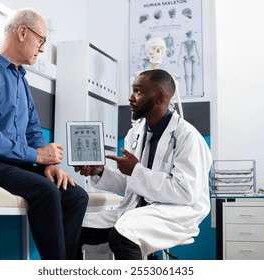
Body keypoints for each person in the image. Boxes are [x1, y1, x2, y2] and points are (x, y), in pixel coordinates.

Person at [0, 8, 88, 260]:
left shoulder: (21, 80)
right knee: (46, 192)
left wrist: (48, 163)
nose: (43, 48)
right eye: (41, 40)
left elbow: (32, 130)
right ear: (23, 32)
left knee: (77, 196)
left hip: (12, 164)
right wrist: (35, 155)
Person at [75, 69, 212, 260]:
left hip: (176, 213)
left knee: (123, 235)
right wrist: (101, 172)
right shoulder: (135, 134)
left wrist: (136, 170)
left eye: (138, 91)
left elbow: (185, 192)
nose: (131, 98)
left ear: (159, 98)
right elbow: (131, 184)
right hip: (135, 209)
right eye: (133, 90)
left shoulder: (188, 137)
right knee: (75, 229)